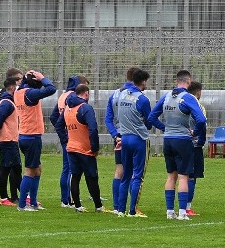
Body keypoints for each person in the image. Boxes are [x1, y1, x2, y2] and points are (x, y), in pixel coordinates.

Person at [148, 70, 207, 221]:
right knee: (183, 177)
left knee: (171, 176)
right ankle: (182, 212)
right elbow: (200, 119)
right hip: (182, 139)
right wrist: (195, 133)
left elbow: (151, 117)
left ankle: (169, 212)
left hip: (168, 140)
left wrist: (165, 128)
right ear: (188, 82)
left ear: (176, 81)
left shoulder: (166, 96)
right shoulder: (188, 97)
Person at [56, 84, 106, 212]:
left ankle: (77, 206)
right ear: (86, 93)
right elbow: (93, 129)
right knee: (92, 177)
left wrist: (66, 140)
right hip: (85, 149)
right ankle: (98, 206)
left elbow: (58, 125)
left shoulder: (68, 107)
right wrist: (94, 147)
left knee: (75, 176)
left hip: (71, 148)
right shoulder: (85, 108)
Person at [117, 68, 157, 218]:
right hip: (139, 139)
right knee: (138, 176)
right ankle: (132, 210)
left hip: (125, 138)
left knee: (125, 175)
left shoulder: (121, 95)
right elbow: (148, 122)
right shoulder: (142, 99)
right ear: (144, 82)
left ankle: (121, 210)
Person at [15, 70, 57, 211]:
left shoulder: (18, 92)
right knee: (30, 171)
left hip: (25, 135)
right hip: (31, 136)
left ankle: (33, 202)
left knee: (37, 169)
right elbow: (51, 89)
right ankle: (22, 205)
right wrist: (43, 78)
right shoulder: (30, 94)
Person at [50, 74, 89, 208]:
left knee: (66, 168)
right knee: (73, 169)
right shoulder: (74, 97)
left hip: (66, 136)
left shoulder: (63, 96)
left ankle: (64, 199)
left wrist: (61, 133)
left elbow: (53, 117)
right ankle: (71, 200)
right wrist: (67, 133)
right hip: (73, 136)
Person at [105, 67, 139, 215]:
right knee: (133, 172)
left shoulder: (115, 95)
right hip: (132, 135)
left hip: (119, 135)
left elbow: (108, 119)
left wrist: (114, 134)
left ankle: (116, 205)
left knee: (119, 170)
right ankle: (132, 207)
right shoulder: (135, 95)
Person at [0, 77, 22, 206]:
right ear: (13, 87)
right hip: (7, 140)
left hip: (10, 139)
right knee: (7, 168)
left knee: (14, 168)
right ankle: (4, 198)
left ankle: (23, 196)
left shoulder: (7, 102)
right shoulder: (7, 103)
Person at [186, 81, 208, 216]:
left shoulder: (179, 102)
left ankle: (172, 208)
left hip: (179, 142)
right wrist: (201, 141)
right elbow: (202, 124)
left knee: (177, 176)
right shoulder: (198, 106)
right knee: (191, 177)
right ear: (198, 92)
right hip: (194, 146)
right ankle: (187, 207)